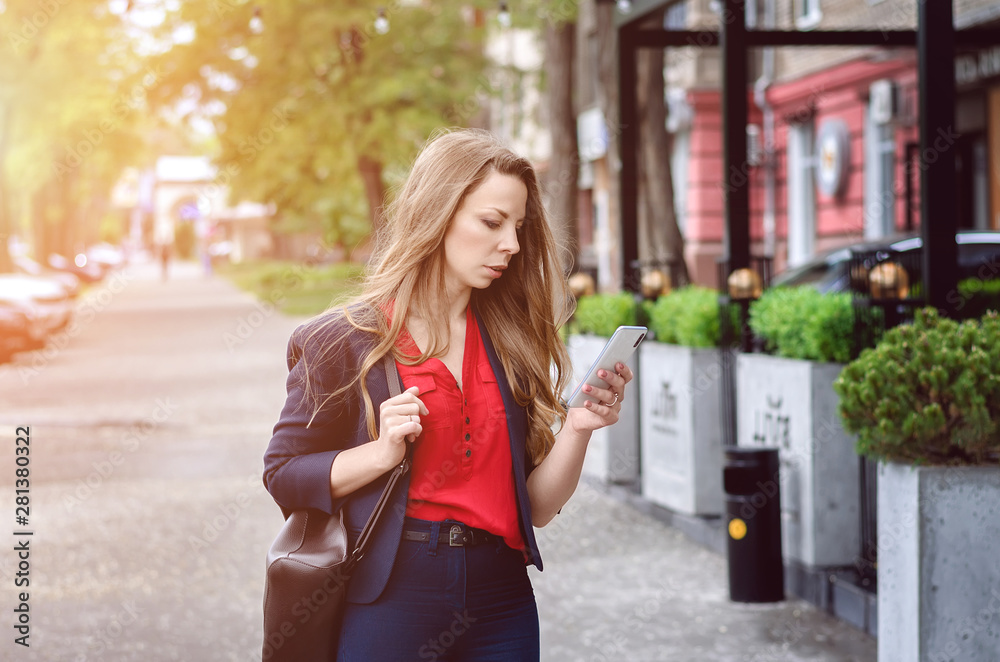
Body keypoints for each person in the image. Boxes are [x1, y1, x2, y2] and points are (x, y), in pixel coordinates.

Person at [263, 128, 633, 661]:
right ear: (437, 215)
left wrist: (577, 428)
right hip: (392, 594)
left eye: (519, 227)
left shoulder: (509, 341)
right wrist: (380, 454)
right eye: (492, 222)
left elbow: (539, 508)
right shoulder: (341, 340)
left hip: (500, 598)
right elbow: (283, 474)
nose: (511, 244)